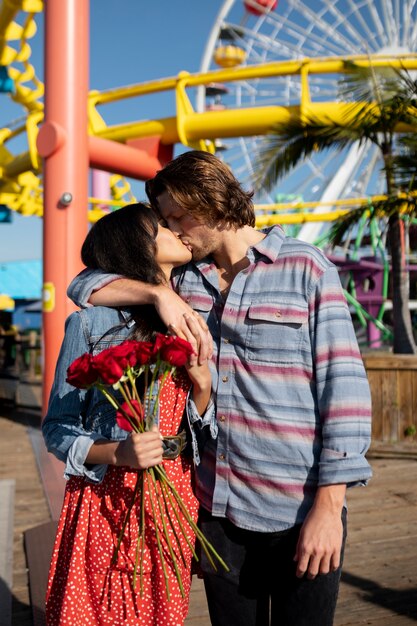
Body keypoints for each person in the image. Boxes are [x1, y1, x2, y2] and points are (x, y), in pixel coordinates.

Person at [68, 150, 373, 626]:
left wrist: (330, 508)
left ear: (211, 201)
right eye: (165, 221)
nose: (174, 230)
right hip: (217, 510)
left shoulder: (308, 269)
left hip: (299, 508)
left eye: (178, 216)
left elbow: (345, 393)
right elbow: (84, 284)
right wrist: (159, 294)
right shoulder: (184, 280)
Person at [43, 203, 215, 626]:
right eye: (161, 225)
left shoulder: (192, 312)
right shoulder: (93, 323)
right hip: (105, 498)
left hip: (174, 497)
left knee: (161, 614)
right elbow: (57, 428)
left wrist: (203, 386)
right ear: (137, 246)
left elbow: (194, 428)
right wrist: (117, 452)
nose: (175, 228)